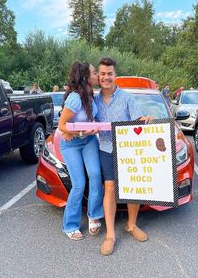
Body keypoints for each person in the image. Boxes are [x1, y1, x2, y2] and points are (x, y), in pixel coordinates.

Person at [95, 57, 152, 256]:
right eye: (102, 74)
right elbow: (84, 120)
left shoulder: (127, 98)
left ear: (115, 75)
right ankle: (110, 235)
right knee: (109, 187)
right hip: (105, 148)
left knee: (132, 187)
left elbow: (138, 120)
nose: (106, 77)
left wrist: (145, 120)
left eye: (109, 73)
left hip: (128, 149)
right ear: (99, 76)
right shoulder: (93, 100)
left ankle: (131, 225)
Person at [58, 61, 104, 240]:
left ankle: (94, 215)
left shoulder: (92, 96)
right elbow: (62, 125)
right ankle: (70, 225)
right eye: (94, 73)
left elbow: (95, 120)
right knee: (79, 183)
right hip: (71, 144)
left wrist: (94, 129)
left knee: (95, 174)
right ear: (86, 77)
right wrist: (78, 131)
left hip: (89, 141)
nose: (98, 75)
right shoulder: (75, 98)